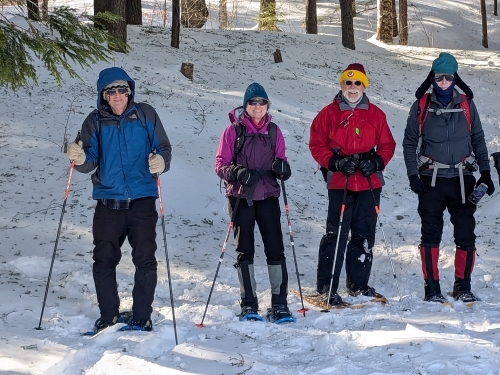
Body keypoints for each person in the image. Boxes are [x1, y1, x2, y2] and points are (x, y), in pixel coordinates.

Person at [66, 67, 172, 331]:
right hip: (108, 203)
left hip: (142, 200)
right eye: (111, 91)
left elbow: (163, 148)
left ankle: (141, 317)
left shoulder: (145, 113)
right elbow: (88, 161)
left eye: (122, 89)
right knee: (103, 259)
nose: (117, 95)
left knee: (145, 259)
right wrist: (79, 159)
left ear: (129, 90)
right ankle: (108, 315)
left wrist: (161, 161)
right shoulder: (94, 121)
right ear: (103, 95)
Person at [403, 52, 494, 303]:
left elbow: (478, 139)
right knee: (430, 234)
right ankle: (431, 288)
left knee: (465, 233)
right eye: (439, 77)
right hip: (430, 179)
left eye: (448, 77)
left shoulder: (466, 104)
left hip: (462, 180)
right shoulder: (421, 105)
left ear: (455, 78)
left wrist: (485, 172)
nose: (443, 82)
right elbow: (410, 142)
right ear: (433, 77)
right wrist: (413, 174)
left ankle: (462, 285)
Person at [309, 63, 396, 305]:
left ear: (364, 85)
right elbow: (316, 144)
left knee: (364, 233)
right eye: (348, 83)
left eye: (358, 83)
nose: (353, 87)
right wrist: (334, 162)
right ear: (341, 86)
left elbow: (388, 145)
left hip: (368, 181)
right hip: (341, 181)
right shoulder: (328, 113)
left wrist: (377, 162)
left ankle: (358, 284)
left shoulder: (376, 114)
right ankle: (327, 287)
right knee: (335, 233)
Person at [215, 82, 293, 322]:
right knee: (244, 249)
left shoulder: (274, 131)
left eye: (262, 102)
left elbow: (282, 161)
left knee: (275, 248)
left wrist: (283, 169)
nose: (257, 106)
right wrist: (236, 172)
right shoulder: (233, 131)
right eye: (253, 102)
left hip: (268, 194)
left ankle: (279, 304)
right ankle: (249, 303)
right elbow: (220, 165)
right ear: (245, 105)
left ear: (267, 105)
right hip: (240, 196)